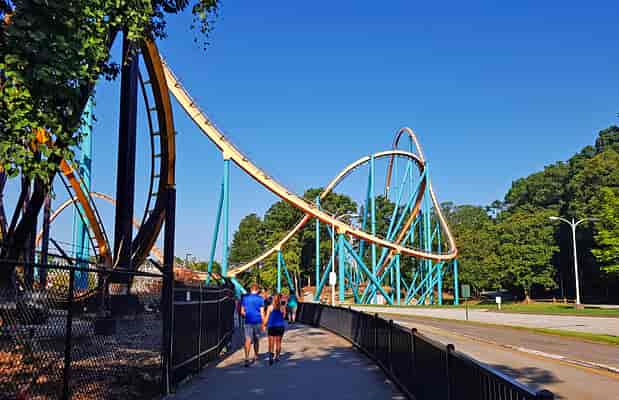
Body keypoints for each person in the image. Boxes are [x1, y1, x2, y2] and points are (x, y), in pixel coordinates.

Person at [240, 284, 265, 367]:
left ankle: (247, 358)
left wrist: (247, 314)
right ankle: (256, 356)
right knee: (256, 339)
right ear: (257, 290)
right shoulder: (260, 299)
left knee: (248, 339)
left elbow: (242, 312)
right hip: (258, 321)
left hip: (248, 321)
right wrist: (264, 324)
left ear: (250, 290)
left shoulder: (245, 298)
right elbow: (262, 313)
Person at [262, 293, 287, 365]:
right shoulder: (282, 307)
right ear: (279, 299)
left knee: (271, 343)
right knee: (278, 342)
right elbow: (284, 317)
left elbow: (266, 318)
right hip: (280, 326)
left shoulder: (270, 307)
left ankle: (270, 356)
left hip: (271, 326)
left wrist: (264, 325)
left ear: (273, 299)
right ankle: (277, 357)